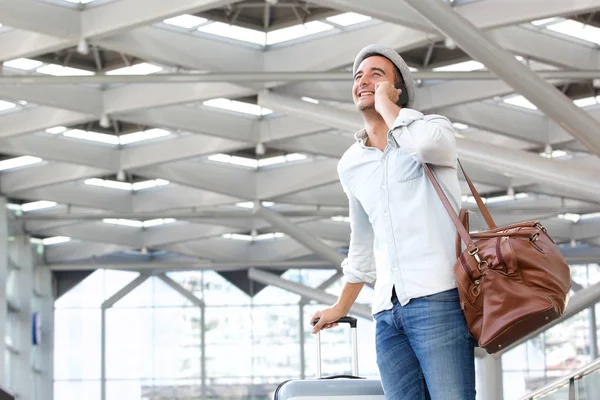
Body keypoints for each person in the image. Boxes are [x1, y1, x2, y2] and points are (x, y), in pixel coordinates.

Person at [310, 44, 476, 399]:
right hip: (387, 311)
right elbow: (362, 241)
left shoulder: (430, 129)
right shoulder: (351, 164)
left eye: (376, 75)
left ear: (397, 88)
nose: (363, 81)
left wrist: (388, 107)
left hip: (438, 297)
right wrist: (341, 306)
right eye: (358, 76)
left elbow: (432, 149)